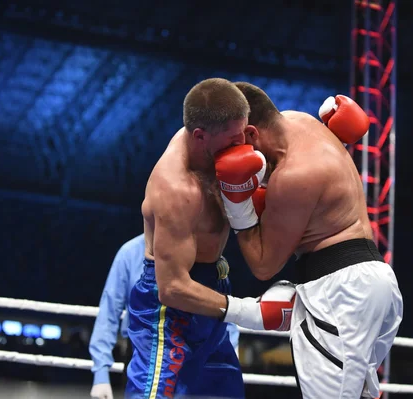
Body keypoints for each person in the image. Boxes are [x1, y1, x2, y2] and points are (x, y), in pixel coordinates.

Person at [214, 82, 404, 399]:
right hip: (374, 282)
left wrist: (237, 206)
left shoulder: (293, 175)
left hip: (340, 296)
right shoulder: (300, 121)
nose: (234, 155)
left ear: (250, 133)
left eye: (233, 146)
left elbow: (264, 265)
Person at [125, 78, 295, 399]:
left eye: (244, 133)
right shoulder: (176, 189)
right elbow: (172, 287)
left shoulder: (218, 129)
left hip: (215, 288)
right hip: (170, 309)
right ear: (200, 136)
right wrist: (250, 313)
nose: (243, 144)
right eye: (234, 140)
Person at [89, 233, 241, 399]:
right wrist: (100, 374)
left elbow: (220, 303)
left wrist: (230, 351)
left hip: (194, 353)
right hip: (141, 352)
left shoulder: (202, 252)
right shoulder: (129, 253)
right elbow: (109, 312)